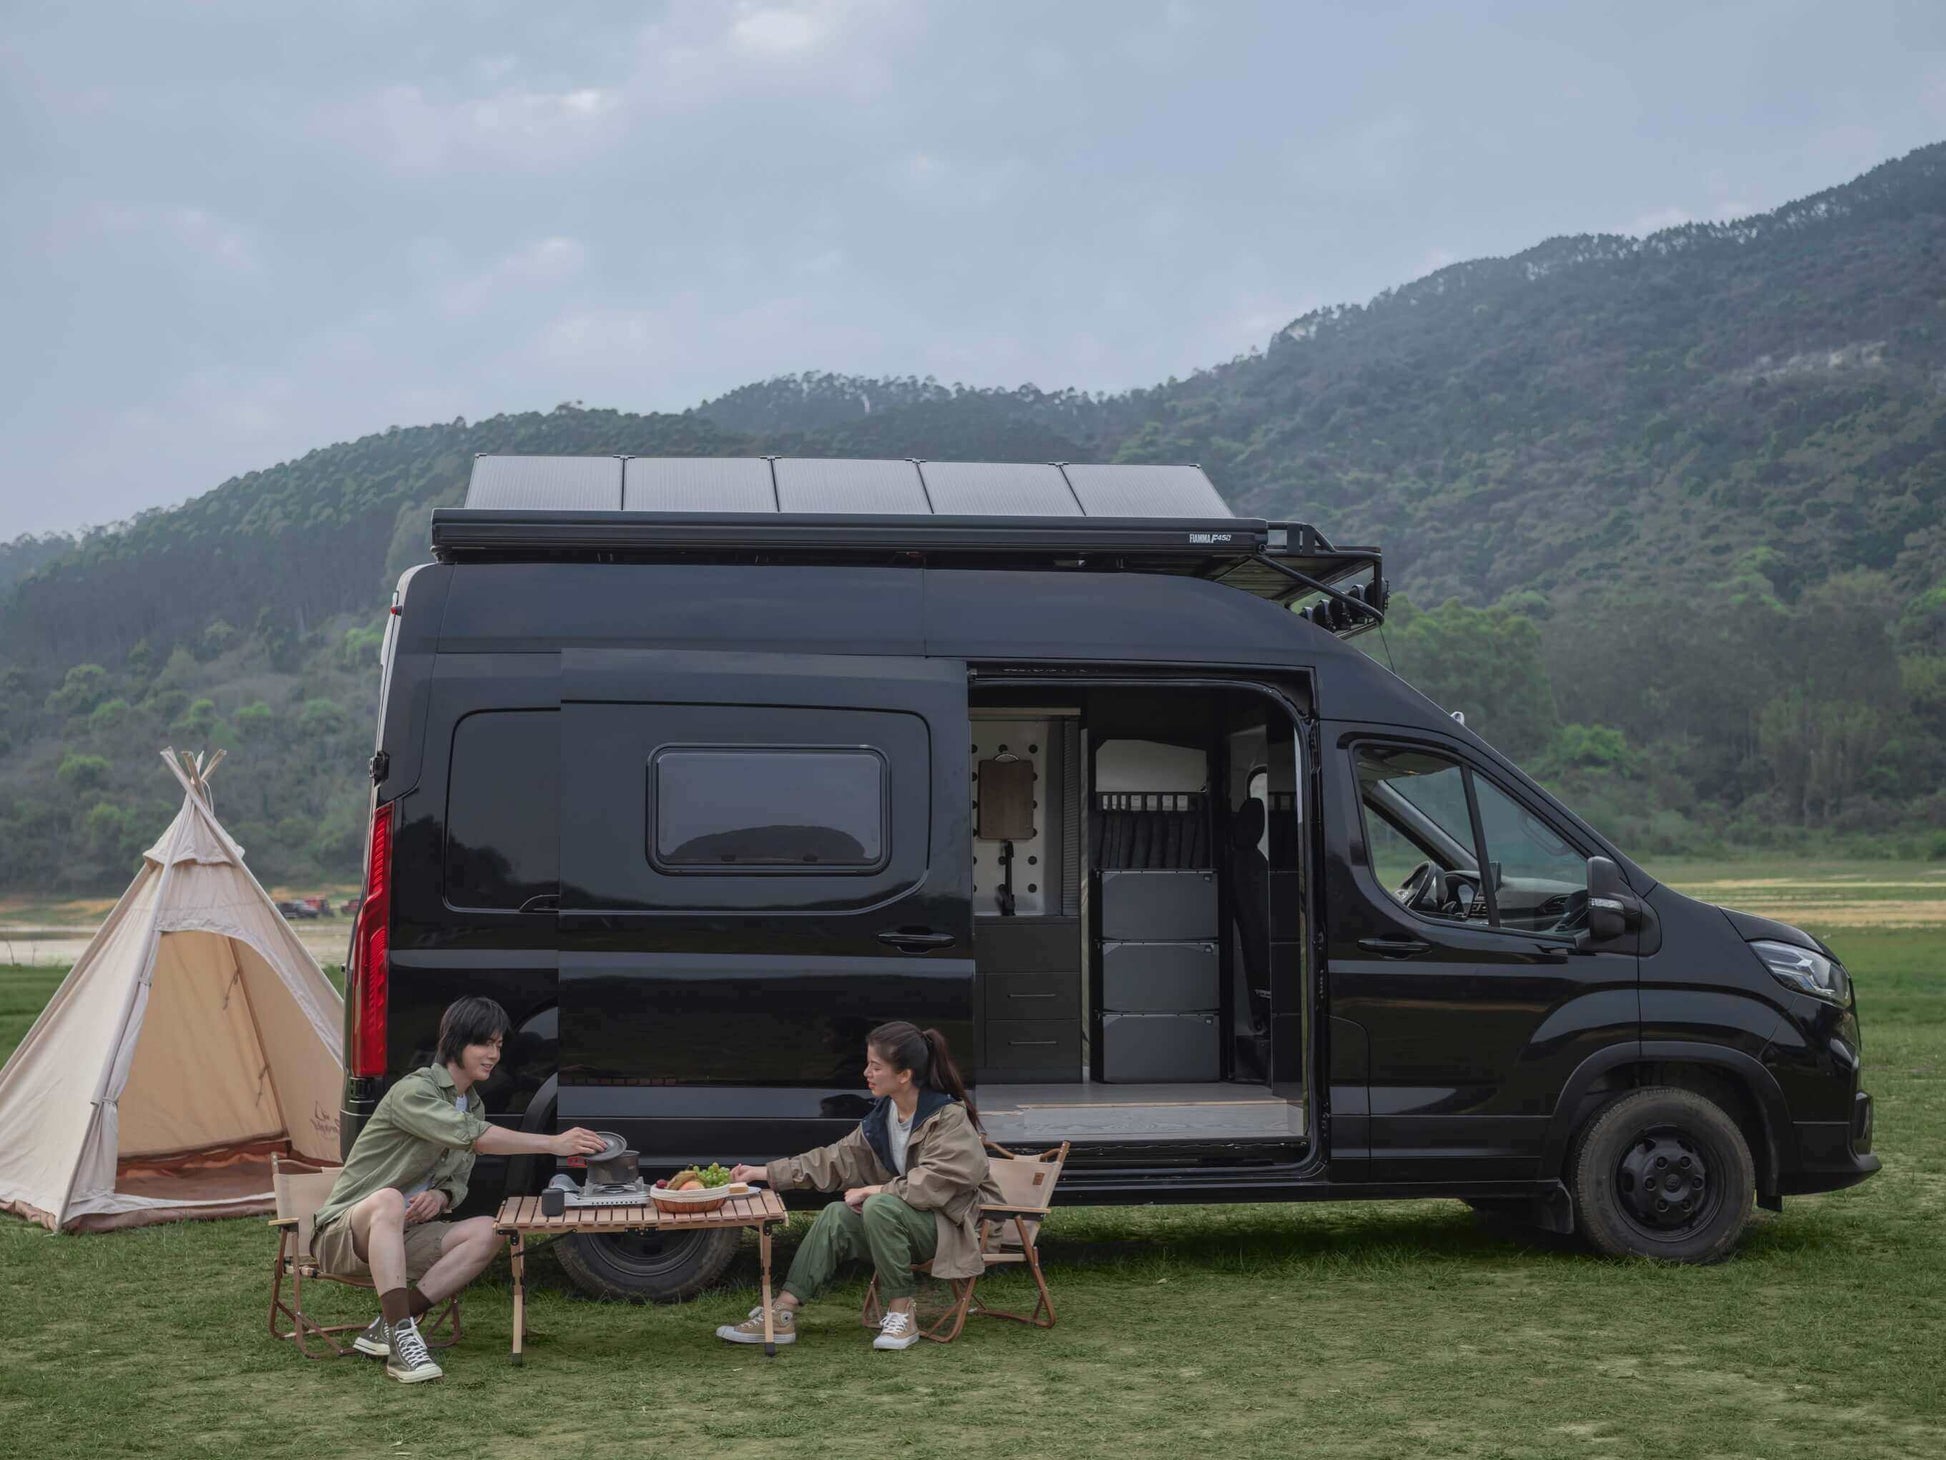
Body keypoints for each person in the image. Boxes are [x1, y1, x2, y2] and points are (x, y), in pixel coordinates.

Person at [310, 996, 606, 1383]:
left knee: (490, 1230)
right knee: (387, 1200)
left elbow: (458, 1179)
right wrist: (552, 1143)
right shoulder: (414, 1091)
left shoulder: (472, 1105)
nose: (493, 1055)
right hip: (342, 1236)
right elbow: (472, 1137)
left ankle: (390, 1324)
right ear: (456, 1042)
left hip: (402, 1235)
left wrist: (442, 1196)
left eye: (498, 1045)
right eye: (484, 1043)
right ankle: (402, 1343)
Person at [717, 1021, 999, 1351]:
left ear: (904, 1075)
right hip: (903, 1224)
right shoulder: (883, 1117)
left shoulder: (948, 1117)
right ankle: (782, 1313)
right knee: (836, 1214)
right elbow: (833, 1160)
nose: (867, 1073)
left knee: (879, 1205)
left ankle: (902, 1313)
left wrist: (876, 1190)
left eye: (876, 1067)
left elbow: (939, 1180)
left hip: (951, 1228)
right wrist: (764, 1172)